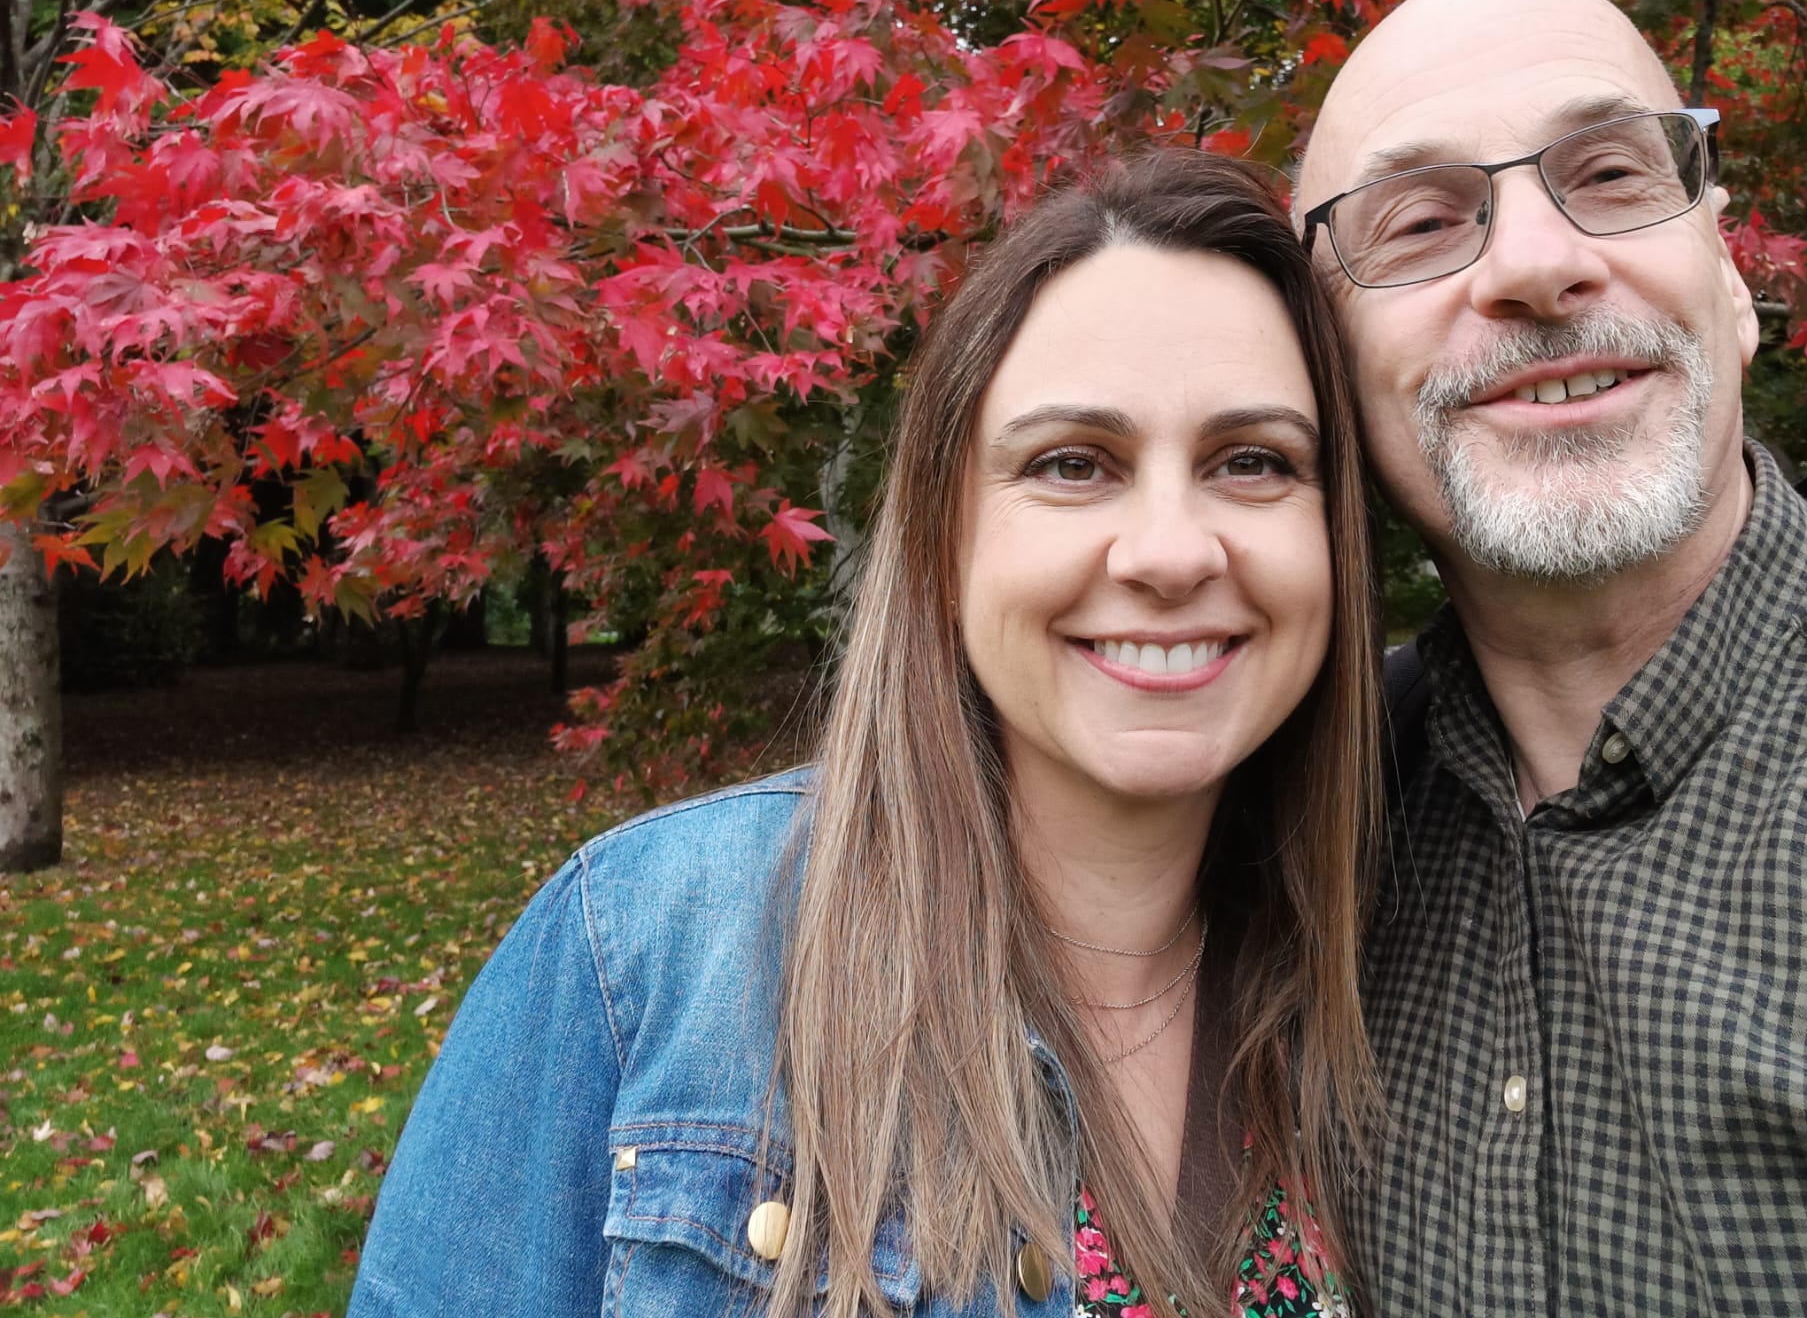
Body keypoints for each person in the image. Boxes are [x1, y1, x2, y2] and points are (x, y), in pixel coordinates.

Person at [347, 149, 1382, 1318]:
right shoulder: (642, 953)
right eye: (1071, 464)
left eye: (1251, 462)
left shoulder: (1392, 973)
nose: (1169, 551)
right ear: (945, 542)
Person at [1295, 0, 1807, 1314]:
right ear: (1331, 373)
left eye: (1612, 174)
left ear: (1734, 280)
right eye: (1420, 221)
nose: (1536, 260)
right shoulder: (1294, 837)